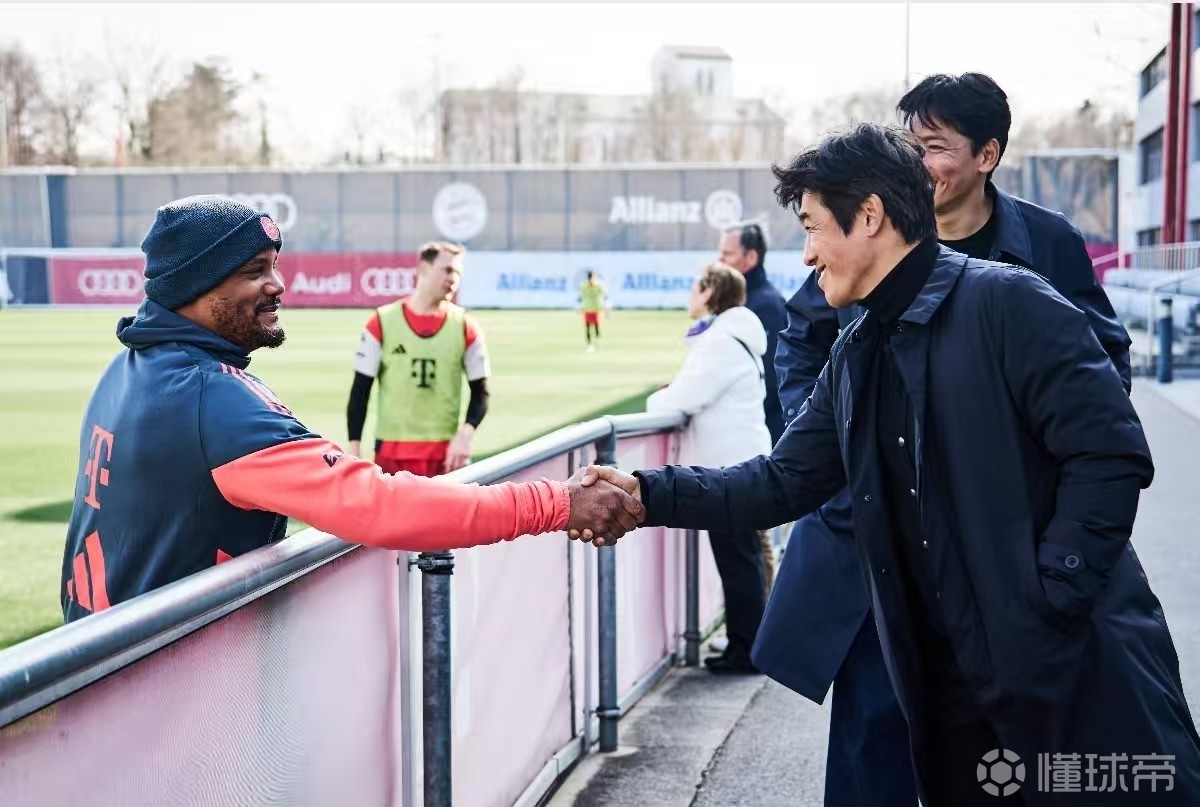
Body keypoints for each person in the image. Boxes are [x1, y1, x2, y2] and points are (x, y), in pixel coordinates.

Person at [571, 125, 1200, 806]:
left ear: (869, 215)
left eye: (813, 226)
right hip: (949, 692)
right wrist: (644, 493)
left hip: (1070, 673)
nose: (808, 252)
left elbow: (1110, 454)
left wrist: (1051, 600)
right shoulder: (856, 353)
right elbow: (783, 481)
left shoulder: (1012, 303)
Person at [753, 72, 1136, 807]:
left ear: (987, 156)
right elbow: (801, 343)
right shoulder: (867, 241)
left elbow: (1102, 376)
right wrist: (837, 437)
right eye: (911, 144)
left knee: (1001, 753)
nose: (919, 161)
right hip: (876, 536)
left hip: (996, 546)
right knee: (873, 737)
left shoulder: (1043, 249)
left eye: (935, 146)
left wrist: (1046, 521)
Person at [59, 195, 641, 622]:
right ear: (196, 287)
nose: (277, 285)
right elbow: (380, 506)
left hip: (111, 676)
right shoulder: (213, 398)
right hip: (168, 700)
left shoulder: (126, 369)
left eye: (274, 265)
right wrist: (555, 503)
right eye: (254, 271)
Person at [645, 262, 771, 674]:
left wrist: (656, 401)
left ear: (710, 293)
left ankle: (747, 650)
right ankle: (748, 645)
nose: (690, 295)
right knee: (745, 559)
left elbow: (685, 396)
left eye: (695, 287)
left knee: (739, 562)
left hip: (729, 469)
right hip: (741, 463)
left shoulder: (721, 343)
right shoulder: (734, 338)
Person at [346, 241, 489, 477]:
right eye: (447, 270)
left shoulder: (465, 326)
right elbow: (360, 391)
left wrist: (465, 435)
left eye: (458, 273)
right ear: (423, 268)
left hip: (445, 457)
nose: (453, 279)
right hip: (392, 455)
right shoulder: (381, 322)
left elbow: (481, 392)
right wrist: (354, 449)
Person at [717, 221, 786, 593]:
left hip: (758, 444)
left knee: (754, 549)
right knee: (754, 547)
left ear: (750, 258)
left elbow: (771, 382)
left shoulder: (763, 307)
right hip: (754, 442)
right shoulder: (752, 303)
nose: (720, 261)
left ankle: (760, 625)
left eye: (726, 254)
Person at [579, 269, 608, 351]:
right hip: (587, 308)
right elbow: (581, 295)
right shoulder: (584, 285)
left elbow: (604, 295)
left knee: (596, 326)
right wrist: (580, 307)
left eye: (592, 277)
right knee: (587, 326)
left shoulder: (599, 285)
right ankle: (589, 344)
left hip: (596, 308)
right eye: (590, 278)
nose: (591, 279)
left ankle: (597, 342)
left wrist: (606, 308)